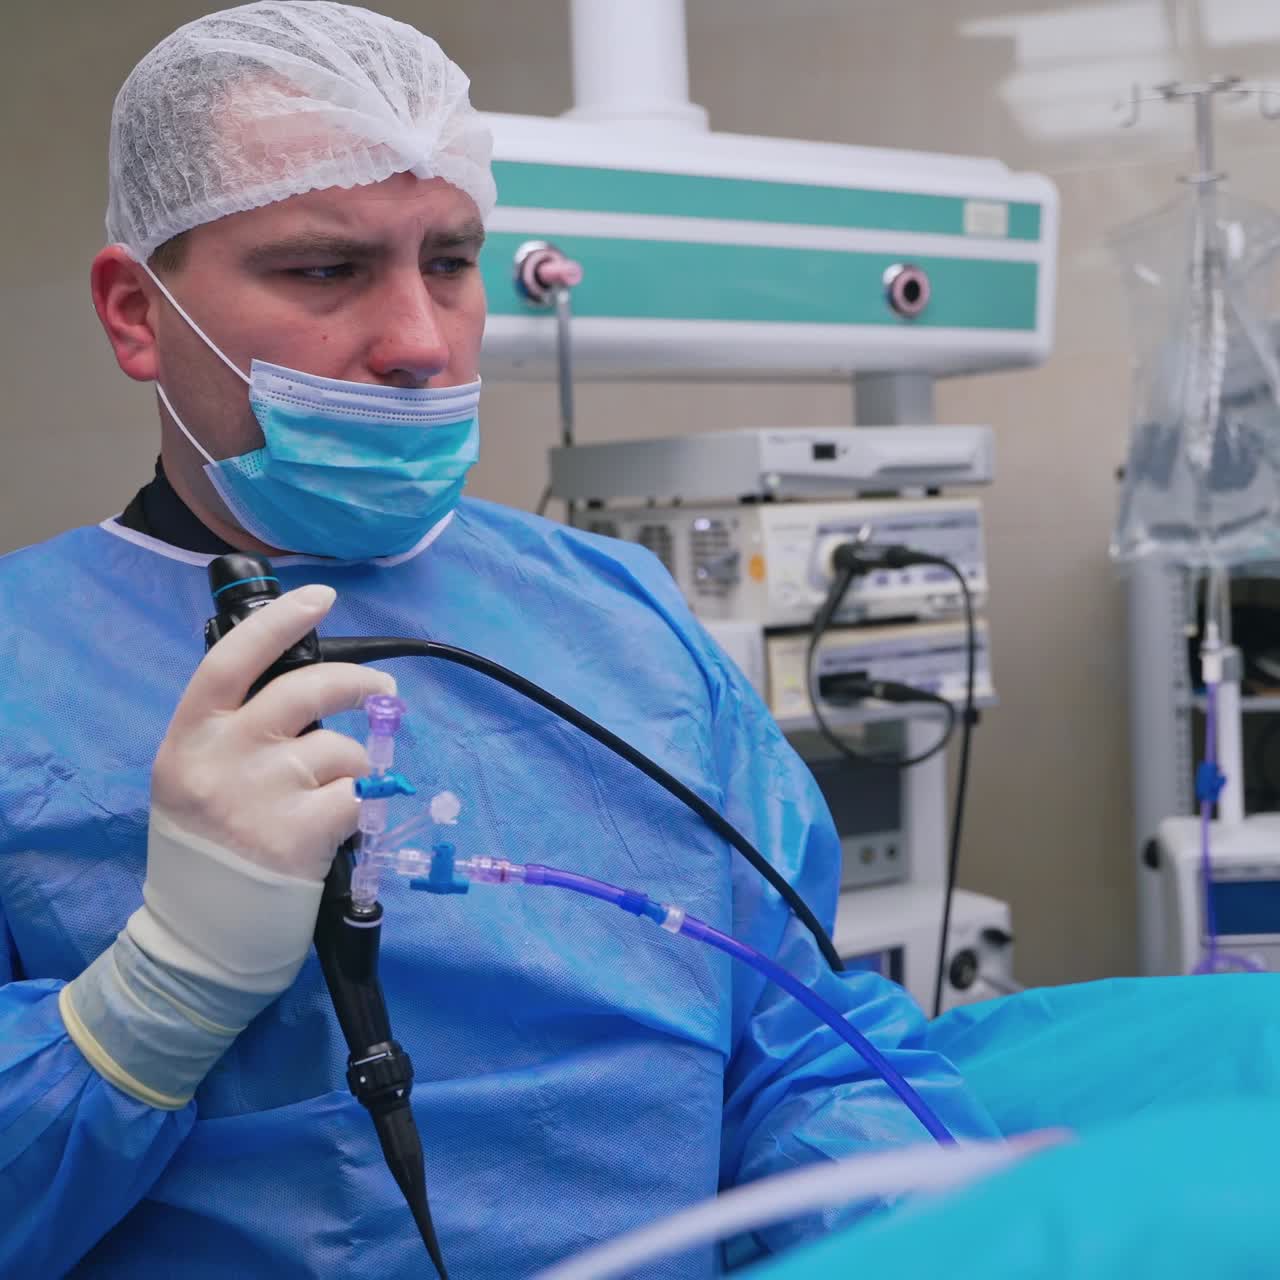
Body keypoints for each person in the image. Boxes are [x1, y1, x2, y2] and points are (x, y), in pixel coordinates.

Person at [3, 6, 1279, 1280]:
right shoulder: (25, 672)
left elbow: (796, 1045)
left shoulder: (618, 612)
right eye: (325, 270)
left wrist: (903, 1235)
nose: (417, 342)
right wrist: (151, 1001)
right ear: (137, 313)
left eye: (448, 261)